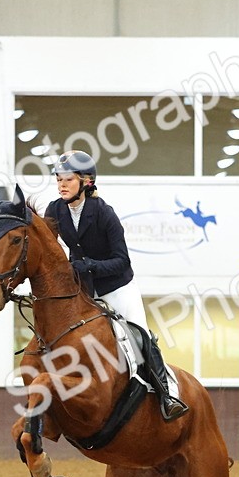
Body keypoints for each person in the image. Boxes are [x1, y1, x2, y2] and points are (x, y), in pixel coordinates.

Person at [44, 150, 188, 421]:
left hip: (117, 286)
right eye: (58, 179)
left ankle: (167, 394)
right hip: (84, 291)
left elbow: (121, 261)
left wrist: (88, 265)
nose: (61, 184)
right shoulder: (55, 210)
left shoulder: (103, 214)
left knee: (141, 335)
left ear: (86, 182)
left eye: (67, 179)